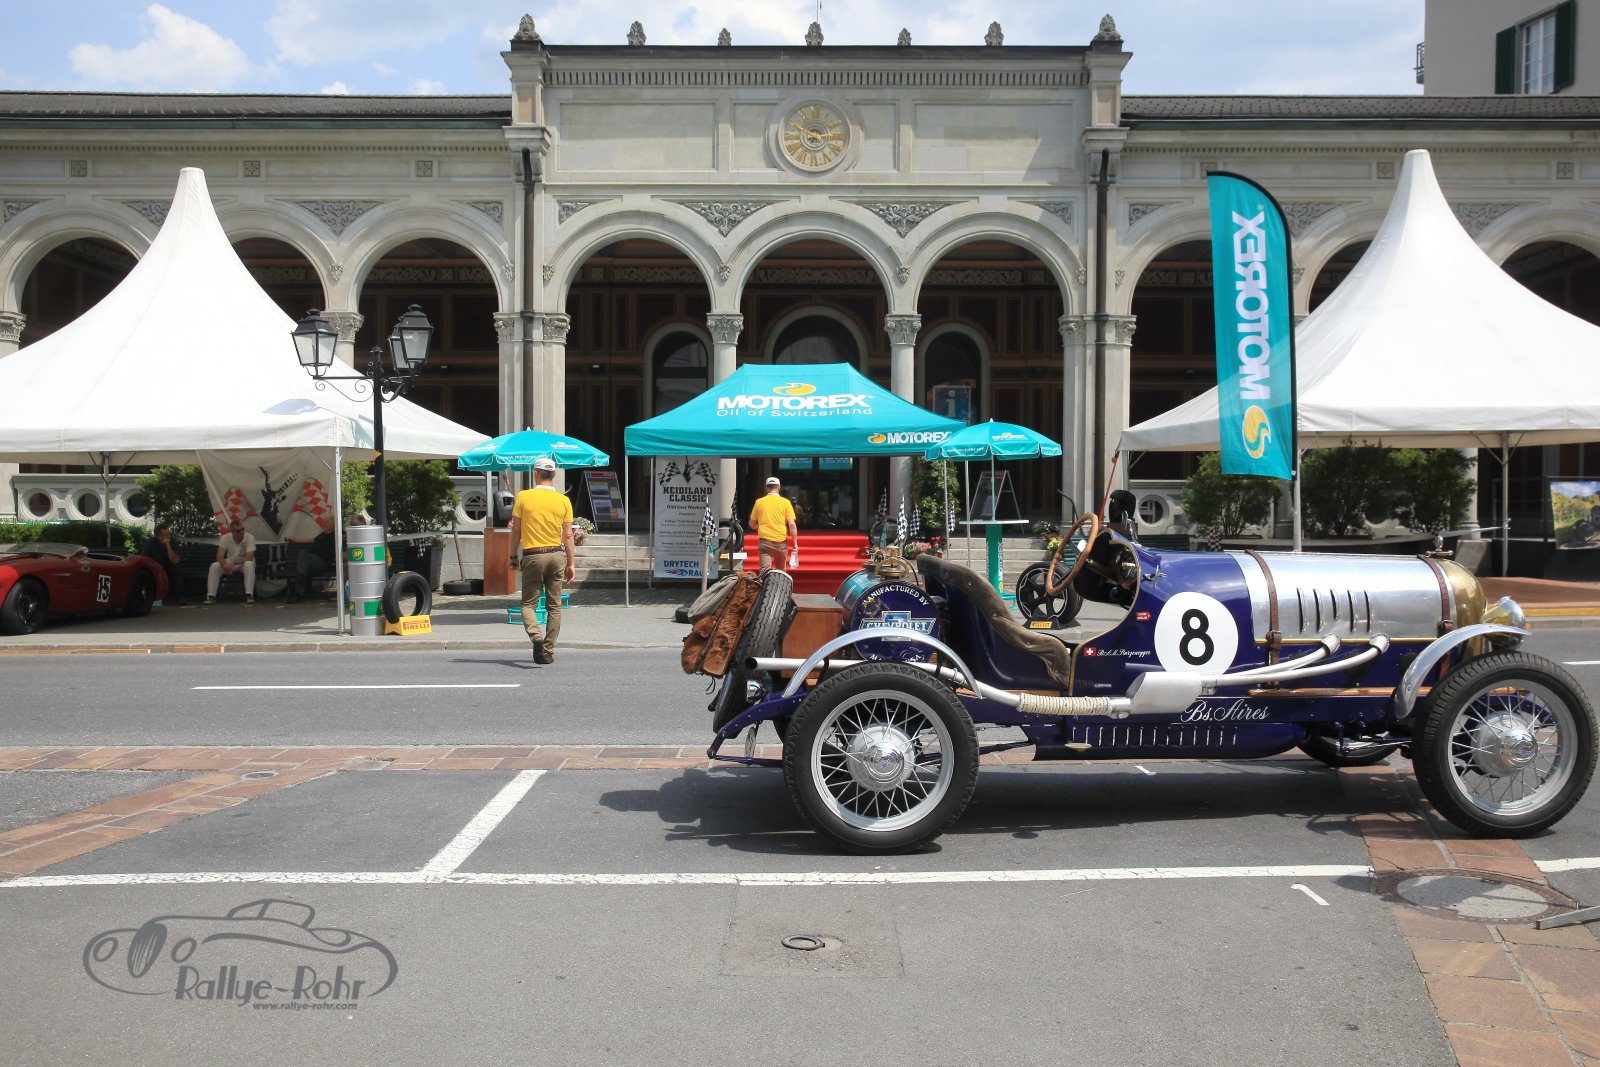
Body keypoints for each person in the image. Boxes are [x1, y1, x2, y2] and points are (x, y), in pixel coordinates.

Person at [509, 456, 575, 664]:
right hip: (556, 555)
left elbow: (516, 531)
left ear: (535, 473)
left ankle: (535, 635)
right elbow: (568, 536)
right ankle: (547, 651)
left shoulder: (523, 497)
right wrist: (571, 563)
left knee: (528, 604)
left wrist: (513, 555)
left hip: (533, 555)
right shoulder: (563, 501)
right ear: (553, 475)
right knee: (554, 606)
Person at [750, 475, 798, 574]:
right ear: (779, 487)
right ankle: (780, 583)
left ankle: (766, 583)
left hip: (765, 541)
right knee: (781, 572)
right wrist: (795, 544)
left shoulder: (759, 502)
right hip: (781, 542)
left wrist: (759, 528)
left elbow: (752, 523)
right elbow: (792, 524)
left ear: (766, 487)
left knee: (764, 571)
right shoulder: (786, 502)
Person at [205, 519, 256, 604]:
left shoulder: (250, 537)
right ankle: (211, 596)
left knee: (249, 564)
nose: (241, 532)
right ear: (232, 532)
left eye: (242, 529)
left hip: (243, 563)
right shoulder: (225, 538)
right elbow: (219, 556)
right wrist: (225, 566)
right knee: (214, 566)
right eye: (238, 531)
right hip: (230, 563)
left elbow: (249, 557)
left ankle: (249, 595)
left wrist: (233, 563)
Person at [284, 528, 337, 602]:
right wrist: (294, 540)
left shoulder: (336, 535)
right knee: (303, 557)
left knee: (303, 556)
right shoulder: (323, 535)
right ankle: (299, 589)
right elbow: (311, 540)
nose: (324, 526)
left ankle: (300, 584)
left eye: (327, 523)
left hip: (323, 562)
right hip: (313, 562)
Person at [139, 523, 186, 606]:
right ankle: (151, 597)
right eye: (166, 535)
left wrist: (168, 546)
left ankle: (180, 597)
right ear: (158, 536)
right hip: (155, 568)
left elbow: (175, 560)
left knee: (177, 569)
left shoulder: (173, 542)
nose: (169, 536)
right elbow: (145, 559)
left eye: (169, 534)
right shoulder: (150, 543)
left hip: (169, 566)